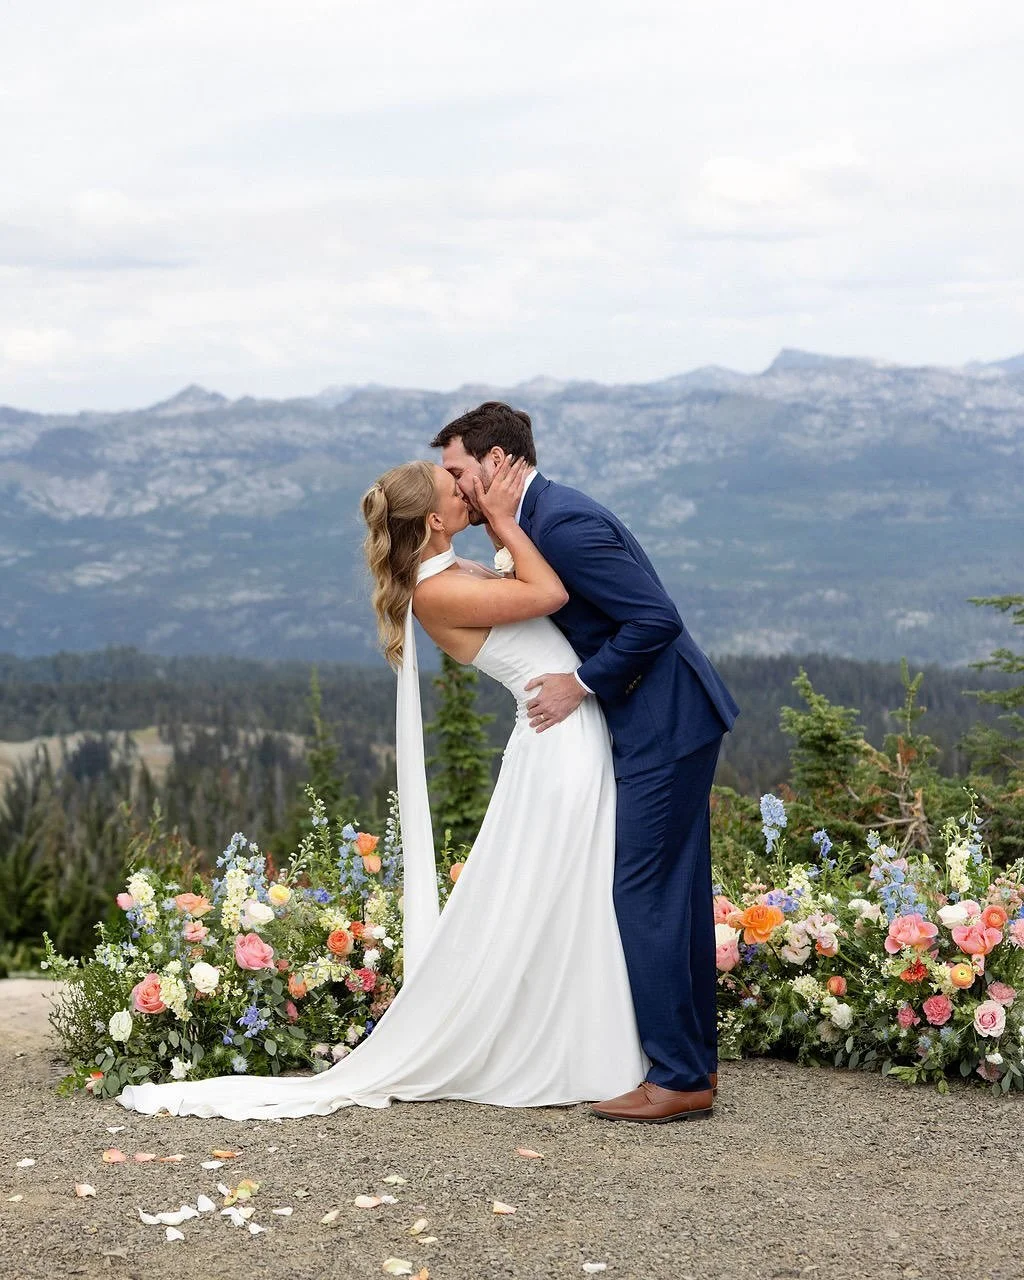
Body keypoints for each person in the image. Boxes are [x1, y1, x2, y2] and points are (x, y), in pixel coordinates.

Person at [116, 454, 648, 1120]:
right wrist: (506, 520)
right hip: (558, 742)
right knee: (569, 887)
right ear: (434, 518)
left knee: (572, 890)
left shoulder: (450, 571)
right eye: (458, 486)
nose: (470, 488)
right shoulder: (437, 590)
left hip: (565, 733)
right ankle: (570, 1051)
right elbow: (549, 596)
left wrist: (499, 530)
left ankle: (583, 1039)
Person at [431, 402, 739, 1123]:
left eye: (458, 472)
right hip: (673, 720)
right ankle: (695, 1065)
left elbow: (657, 618)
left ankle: (678, 1080)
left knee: (643, 894)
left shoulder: (561, 524)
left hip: (664, 724)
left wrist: (583, 682)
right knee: (680, 891)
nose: (454, 488)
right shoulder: (540, 519)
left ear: (497, 462)